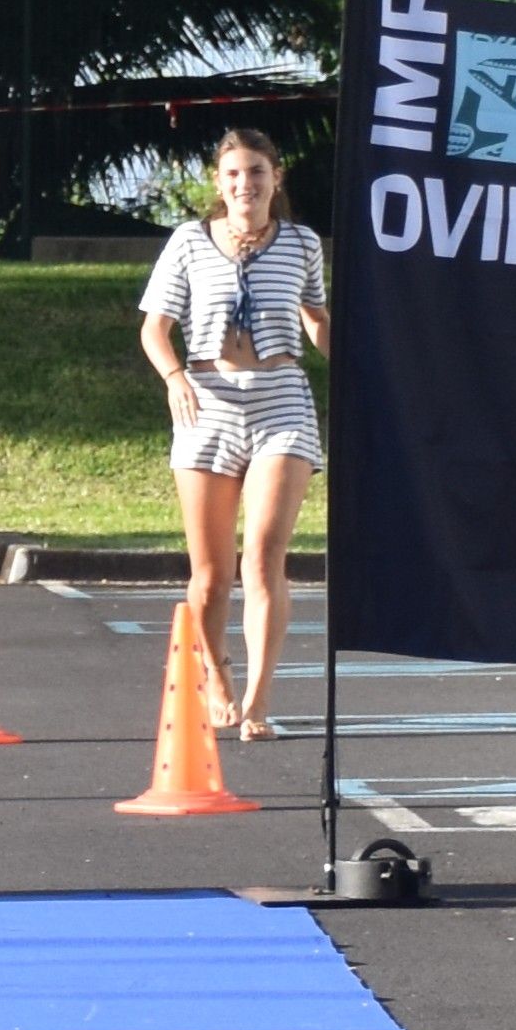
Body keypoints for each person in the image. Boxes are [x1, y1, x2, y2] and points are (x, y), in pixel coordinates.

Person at [138, 128, 328, 743]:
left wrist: (352, 353)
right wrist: (172, 377)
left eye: (256, 172)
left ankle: (257, 701)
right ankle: (216, 676)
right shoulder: (190, 242)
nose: (246, 184)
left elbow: (316, 318)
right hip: (207, 402)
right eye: (234, 175)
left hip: (281, 401)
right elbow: (155, 329)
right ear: (220, 185)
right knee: (211, 574)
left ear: (277, 178)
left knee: (264, 555)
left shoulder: (301, 242)